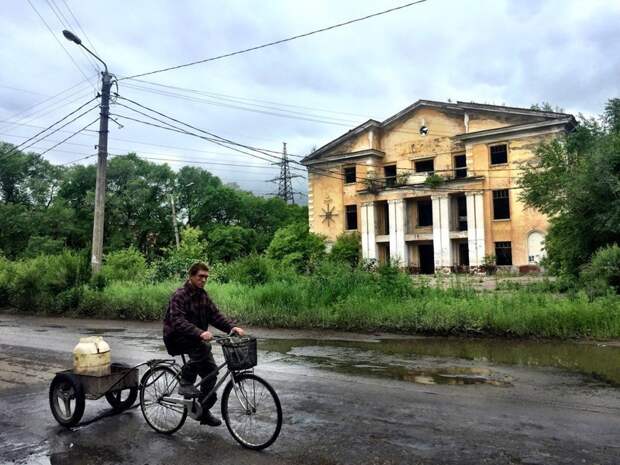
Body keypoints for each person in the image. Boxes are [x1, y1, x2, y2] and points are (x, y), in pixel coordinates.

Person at [163, 261, 245, 427]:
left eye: (206, 277)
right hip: (176, 337)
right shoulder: (179, 295)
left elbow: (215, 315)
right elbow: (177, 321)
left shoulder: (203, 295)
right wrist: (200, 332)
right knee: (203, 346)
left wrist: (231, 327)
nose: (204, 280)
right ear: (191, 276)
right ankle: (185, 382)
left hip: (195, 339)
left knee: (211, 373)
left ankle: (202, 410)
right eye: (201, 276)